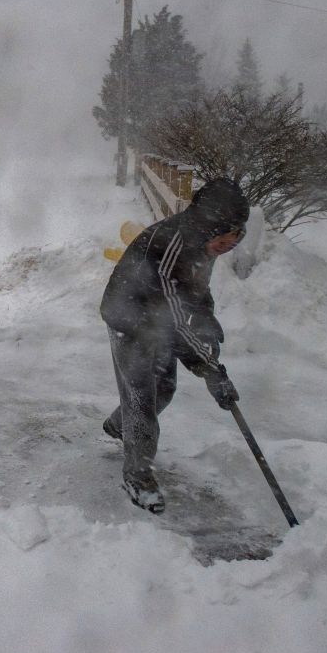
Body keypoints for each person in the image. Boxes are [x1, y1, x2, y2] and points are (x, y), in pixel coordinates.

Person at [99, 177, 249, 513]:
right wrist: (212, 372)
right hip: (129, 318)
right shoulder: (171, 247)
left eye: (238, 233)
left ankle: (117, 425)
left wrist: (207, 322)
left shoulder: (203, 243)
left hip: (157, 317)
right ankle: (137, 476)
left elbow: (193, 291)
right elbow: (177, 320)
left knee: (163, 389)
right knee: (142, 399)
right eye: (226, 232)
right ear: (208, 225)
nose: (231, 240)